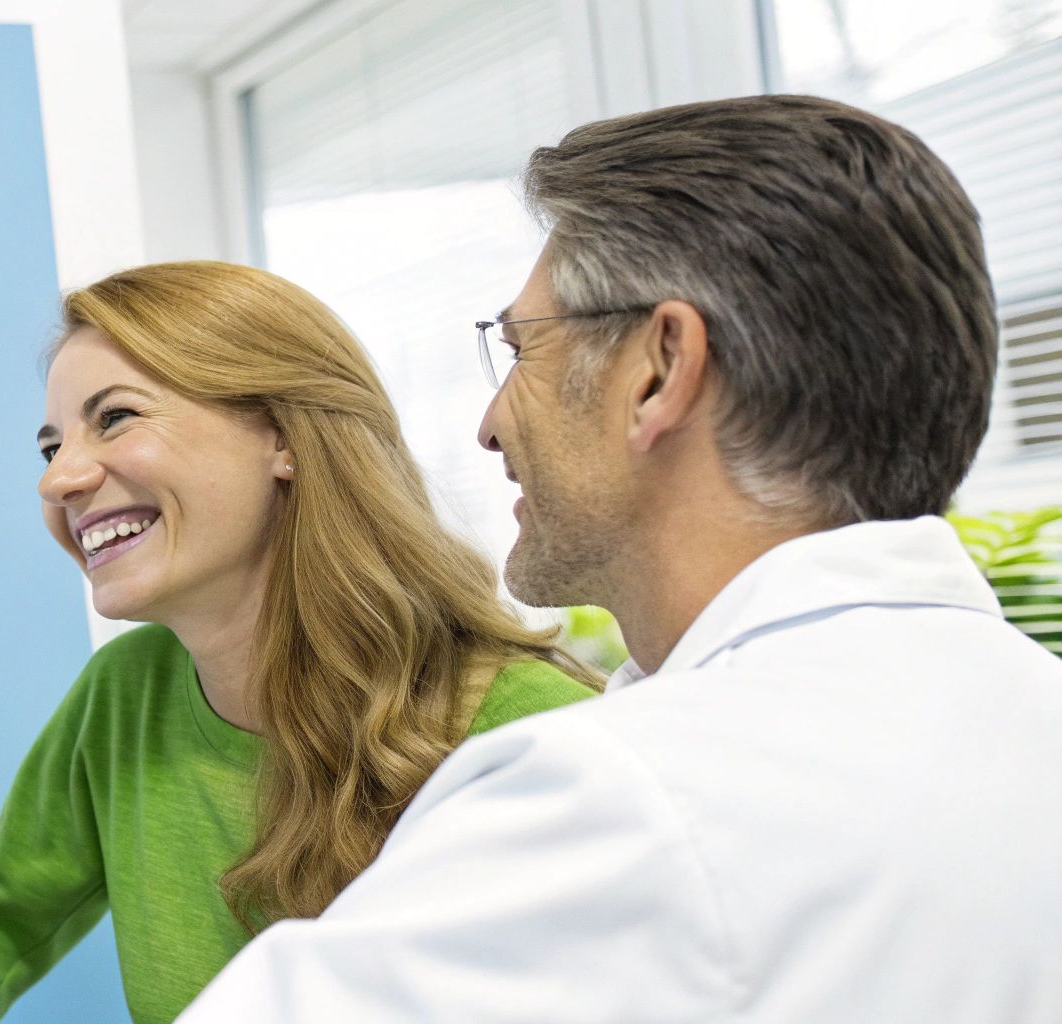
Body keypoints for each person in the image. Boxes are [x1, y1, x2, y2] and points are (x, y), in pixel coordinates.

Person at [175, 95, 1062, 1022]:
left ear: (659, 368)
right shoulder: (1029, 719)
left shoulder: (618, 804)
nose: (490, 425)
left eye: (521, 349)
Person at [0, 261, 598, 1023]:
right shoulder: (127, 698)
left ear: (284, 436)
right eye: (51, 445)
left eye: (117, 418)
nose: (60, 479)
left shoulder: (530, 734)